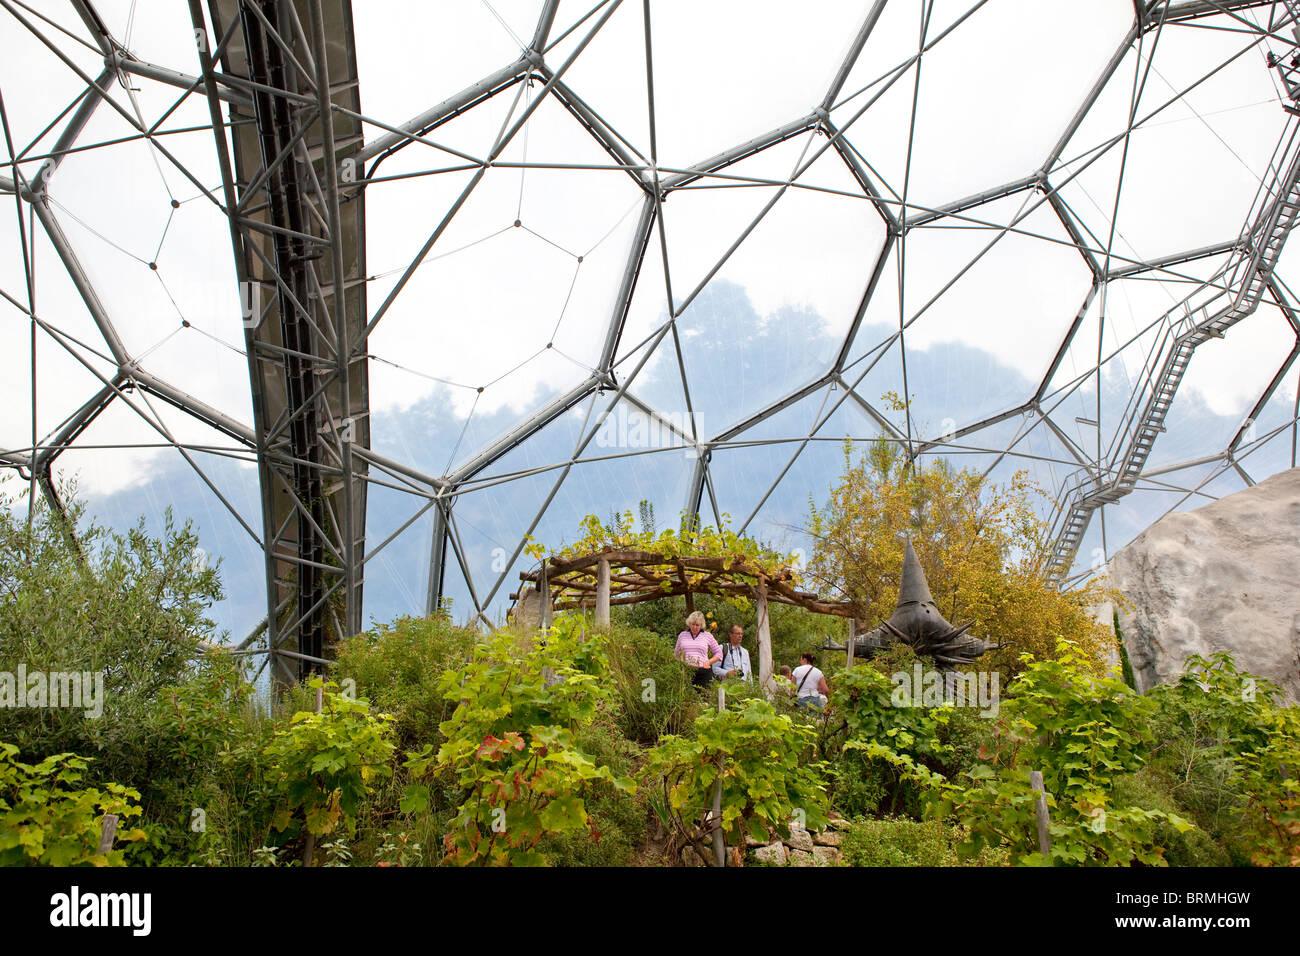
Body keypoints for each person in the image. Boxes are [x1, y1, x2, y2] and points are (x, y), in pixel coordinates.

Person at [674, 611, 721, 688]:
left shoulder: (708, 636)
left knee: (703, 698)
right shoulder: (682, 635)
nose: (694, 627)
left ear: (701, 625)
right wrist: (680, 666)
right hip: (686, 673)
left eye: (697, 625)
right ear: (689, 624)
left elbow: (719, 653)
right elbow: (676, 654)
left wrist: (708, 662)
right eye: (693, 624)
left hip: (703, 673)